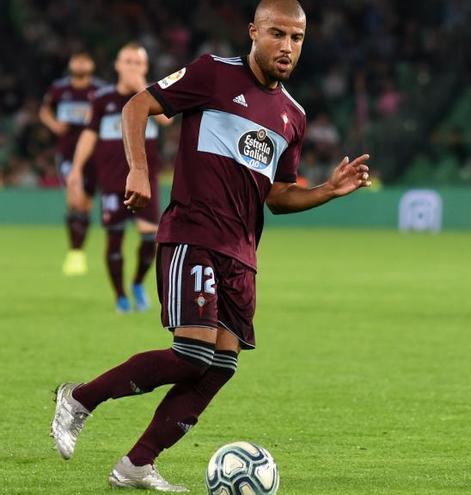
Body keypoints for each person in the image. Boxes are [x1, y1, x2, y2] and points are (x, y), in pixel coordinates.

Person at [51, 0, 371, 490]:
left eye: (297, 39)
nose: (286, 47)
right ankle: (79, 399)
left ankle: (136, 464)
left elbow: (278, 197)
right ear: (254, 32)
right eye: (277, 34)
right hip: (192, 235)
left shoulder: (293, 116)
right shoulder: (213, 74)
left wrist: (326, 191)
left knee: (220, 366)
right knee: (192, 354)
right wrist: (138, 167)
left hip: (242, 255)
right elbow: (139, 105)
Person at [67, 42, 173, 313]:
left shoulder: (151, 96)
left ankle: (138, 282)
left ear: (145, 68)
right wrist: (77, 169)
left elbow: (167, 121)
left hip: (145, 181)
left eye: (138, 63)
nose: (132, 67)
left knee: (151, 238)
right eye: (128, 61)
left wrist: (142, 88)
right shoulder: (102, 99)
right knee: (114, 239)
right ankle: (120, 295)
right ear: (117, 65)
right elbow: (89, 136)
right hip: (113, 182)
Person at [39, 52, 105, 276]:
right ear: (70, 64)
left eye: (85, 60)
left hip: (95, 153)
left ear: (92, 64)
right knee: (74, 197)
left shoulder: (99, 89)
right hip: (68, 153)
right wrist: (54, 125)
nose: (81, 64)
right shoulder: (60, 88)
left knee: (86, 204)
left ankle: (79, 252)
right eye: (77, 60)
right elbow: (44, 110)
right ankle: (74, 253)